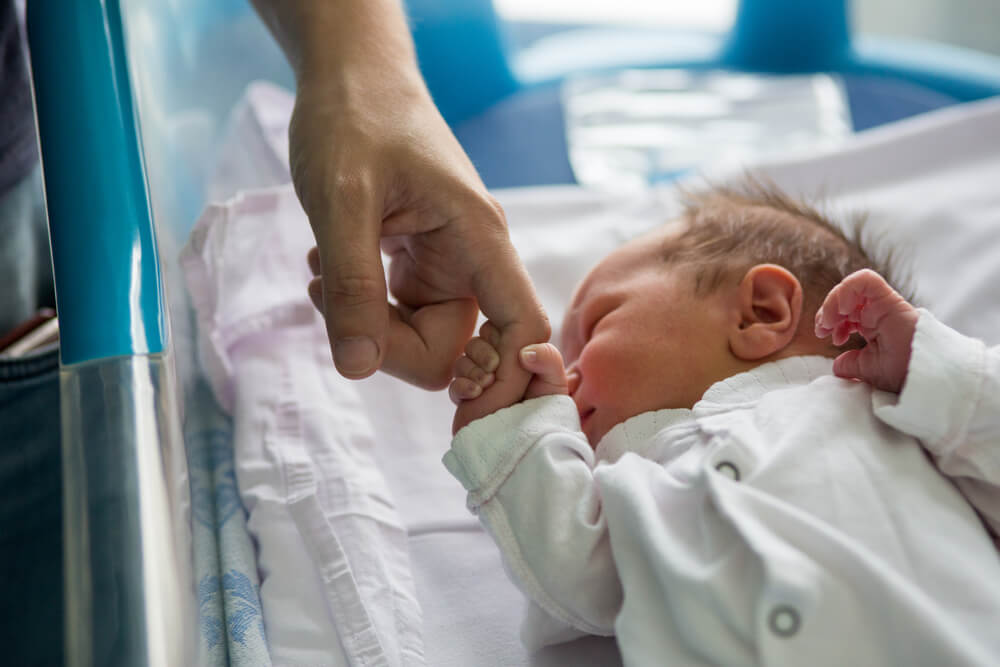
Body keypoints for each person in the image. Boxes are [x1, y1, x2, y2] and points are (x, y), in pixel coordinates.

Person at [445, 177, 1000, 665]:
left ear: (760, 312)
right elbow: (576, 580)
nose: (565, 380)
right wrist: (515, 430)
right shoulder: (633, 480)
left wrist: (937, 371)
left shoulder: (892, 408)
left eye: (594, 326)